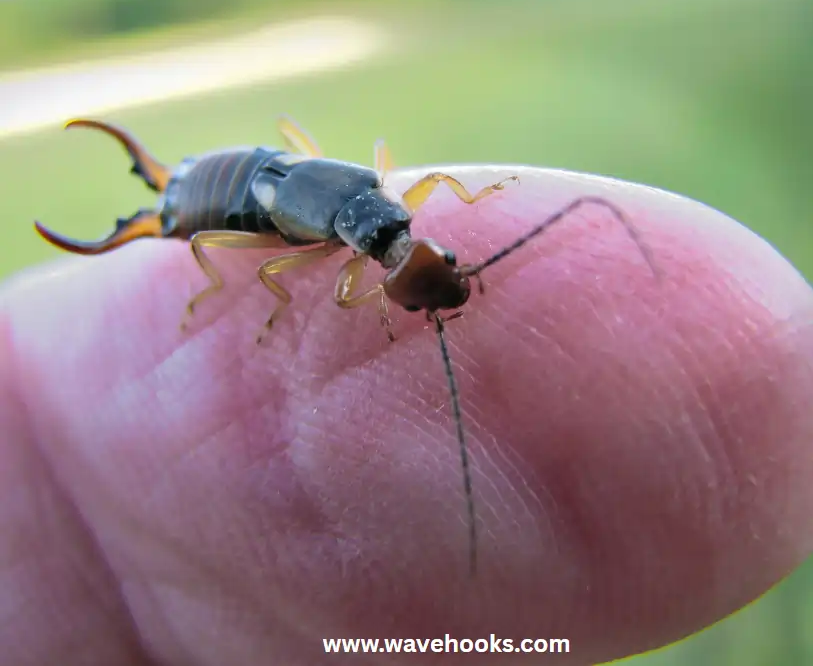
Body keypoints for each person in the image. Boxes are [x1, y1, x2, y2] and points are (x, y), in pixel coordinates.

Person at [2, 167, 812, 665]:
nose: (428, 266)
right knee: (222, 253)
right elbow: (278, 274)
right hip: (236, 197)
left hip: (267, 176)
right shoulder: (352, 239)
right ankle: (166, 199)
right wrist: (269, 306)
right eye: (430, 269)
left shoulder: (374, 218)